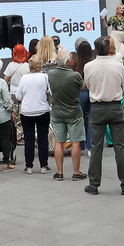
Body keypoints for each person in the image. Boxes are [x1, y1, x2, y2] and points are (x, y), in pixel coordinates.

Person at [84, 36, 124, 195]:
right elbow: (122, 85)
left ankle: (93, 184)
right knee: (120, 148)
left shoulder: (88, 66)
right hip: (115, 105)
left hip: (97, 106)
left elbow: (88, 86)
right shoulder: (118, 65)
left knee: (96, 148)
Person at [45, 49, 85, 180]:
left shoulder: (51, 74)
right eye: (72, 58)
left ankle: (59, 172)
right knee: (75, 142)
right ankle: (76, 172)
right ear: (68, 62)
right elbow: (83, 87)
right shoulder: (75, 76)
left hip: (57, 112)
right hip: (73, 112)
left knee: (58, 142)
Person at [16, 58, 51, 174]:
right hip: (43, 110)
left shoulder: (24, 78)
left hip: (27, 111)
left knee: (29, 138)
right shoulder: (45, 77)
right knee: (43, 138)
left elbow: (18, 96)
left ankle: (29, 165)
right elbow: (50, 92)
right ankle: (44, 165)